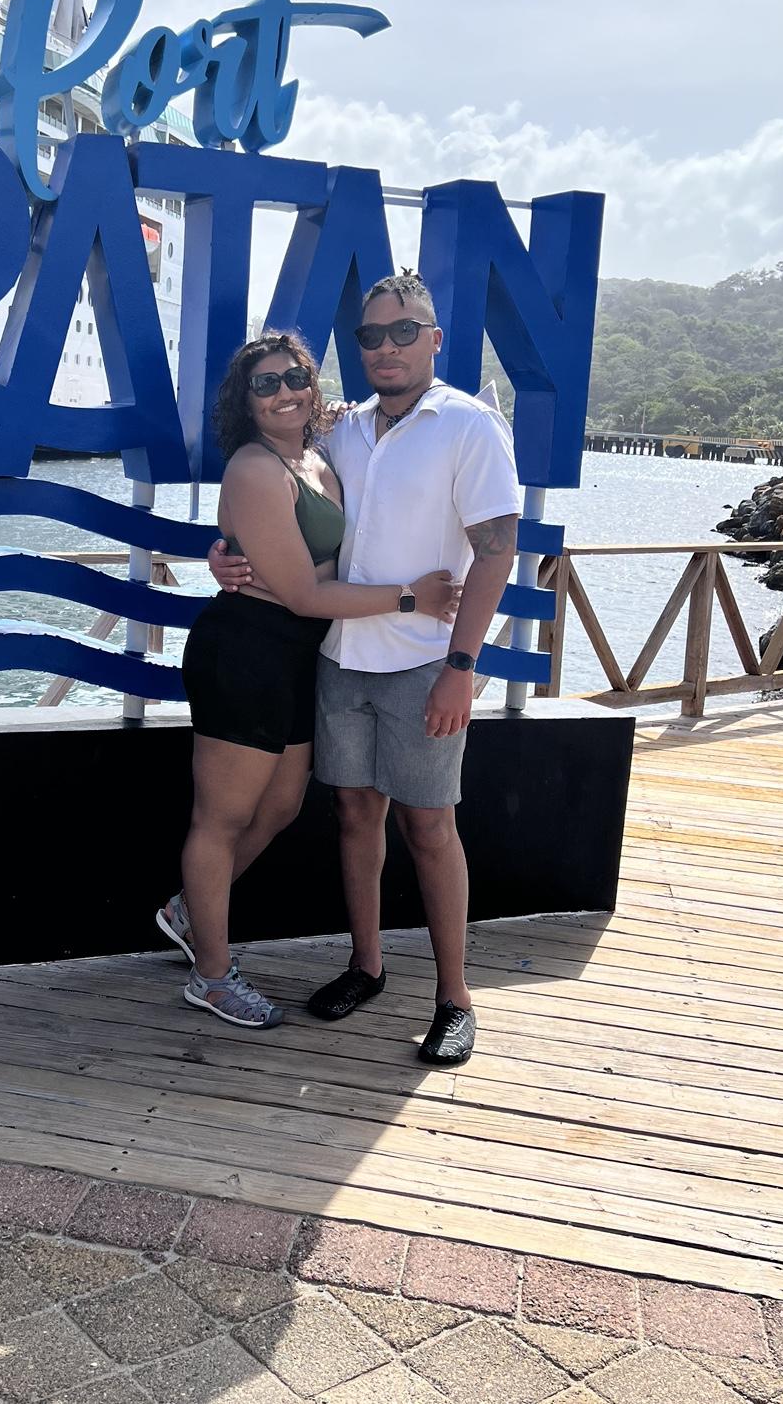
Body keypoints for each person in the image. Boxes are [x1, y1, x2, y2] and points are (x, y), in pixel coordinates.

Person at [208, 273, 521, 1065]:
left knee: (430, 826)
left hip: (423, 663)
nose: (387, 347)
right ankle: (367, 966)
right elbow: (278, 505)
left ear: (434, 339)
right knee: (354, 815)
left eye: (404, 331)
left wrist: (462, 666)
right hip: (341, 659)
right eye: (372, 335)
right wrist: (227, 554)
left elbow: (496, 552)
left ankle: (455, 998)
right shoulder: (340, 430)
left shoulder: (470, 426)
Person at [160, 331, 461, 1029]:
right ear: (244, 402)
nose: (285, 392)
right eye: (264, 384)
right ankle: (211, 975)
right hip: (246, 653)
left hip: (299, 658)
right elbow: (301, 593)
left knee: (280, 807)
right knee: (221, 819)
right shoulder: (255, 468)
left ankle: (189, 910)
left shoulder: (319, 452)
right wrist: (410, 598)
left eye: (295, 376)